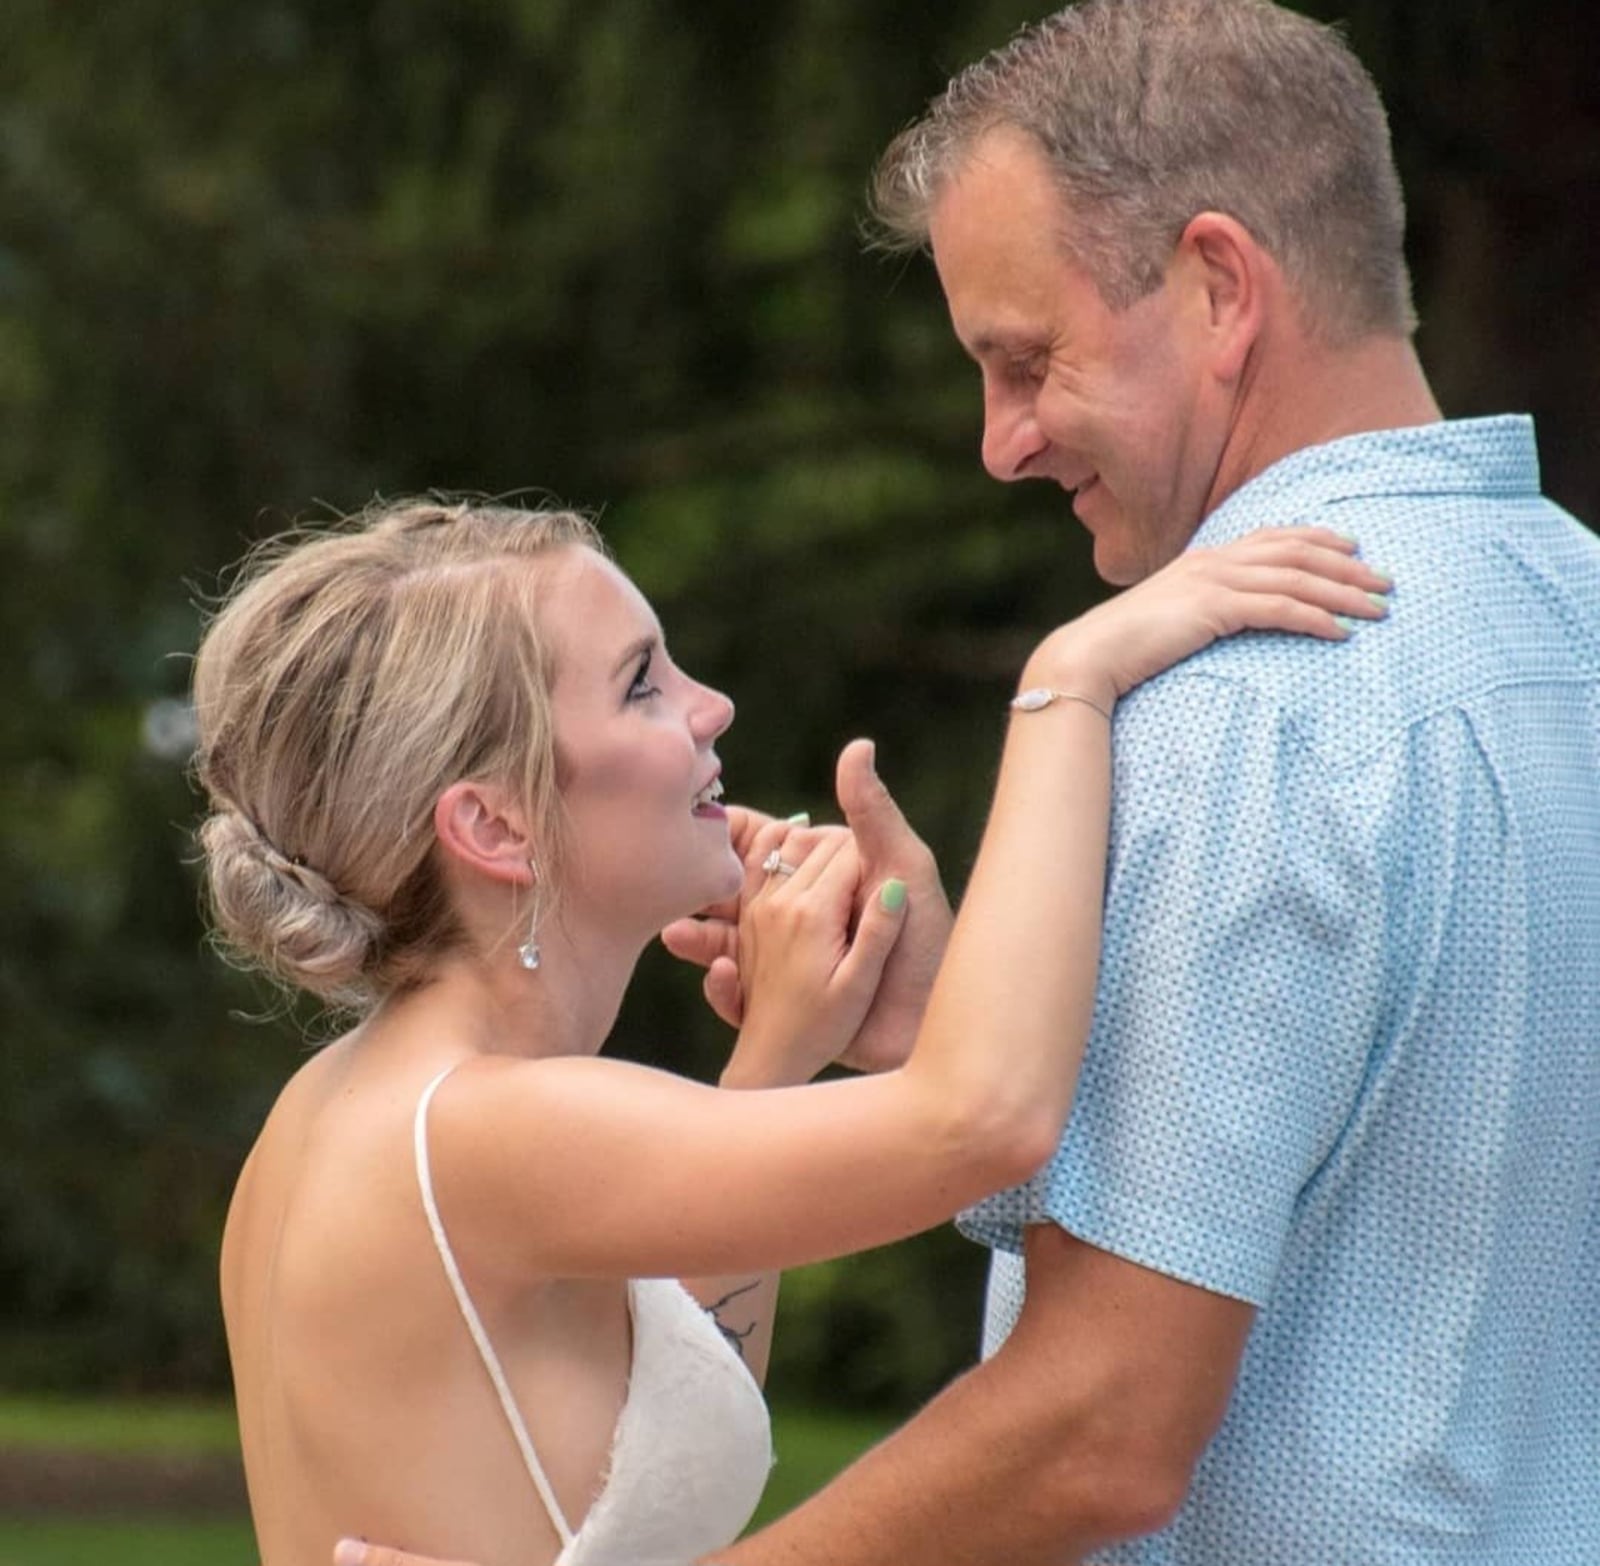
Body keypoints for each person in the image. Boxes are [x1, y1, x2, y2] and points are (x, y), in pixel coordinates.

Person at [348, 0, 1600, 1561]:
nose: (999, 443)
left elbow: (1104, 1431)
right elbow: (1428, 1187)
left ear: (1220, 286)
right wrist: (948, 1024)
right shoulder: (1571, 612)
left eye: (1025, 360)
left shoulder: (1248, 695)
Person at [194, 494, 1381, 1566]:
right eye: (642, 684)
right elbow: (986, 1118)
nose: (711, 706)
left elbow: (650, 1410)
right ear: (495, 826)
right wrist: (1069, 685)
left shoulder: (350, 1110)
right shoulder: (492, 1127)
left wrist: (776, 1057)